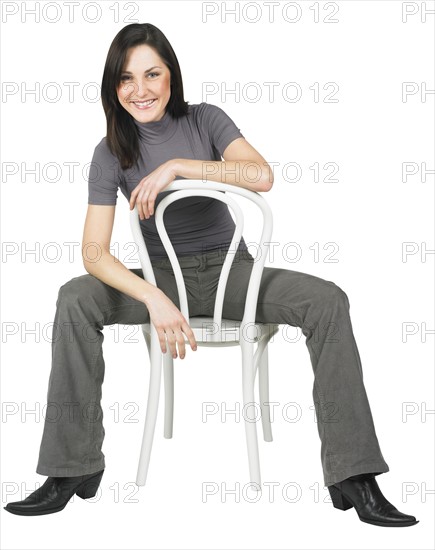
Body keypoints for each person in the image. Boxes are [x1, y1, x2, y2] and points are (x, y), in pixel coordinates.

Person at [4, 23, 418, 527]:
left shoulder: (206, 120)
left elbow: (260, 176)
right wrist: (153, 299)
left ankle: (353, 475)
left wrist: (180, 166)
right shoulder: (110, 152)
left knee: (328, 299)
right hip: (162, 282)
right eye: (126, 79)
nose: (141, 90)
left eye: (152, 74)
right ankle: (72, 468)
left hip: (233, 275)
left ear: (171, 77)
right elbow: (94, 254)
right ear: (114, 88)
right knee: (75, 297)